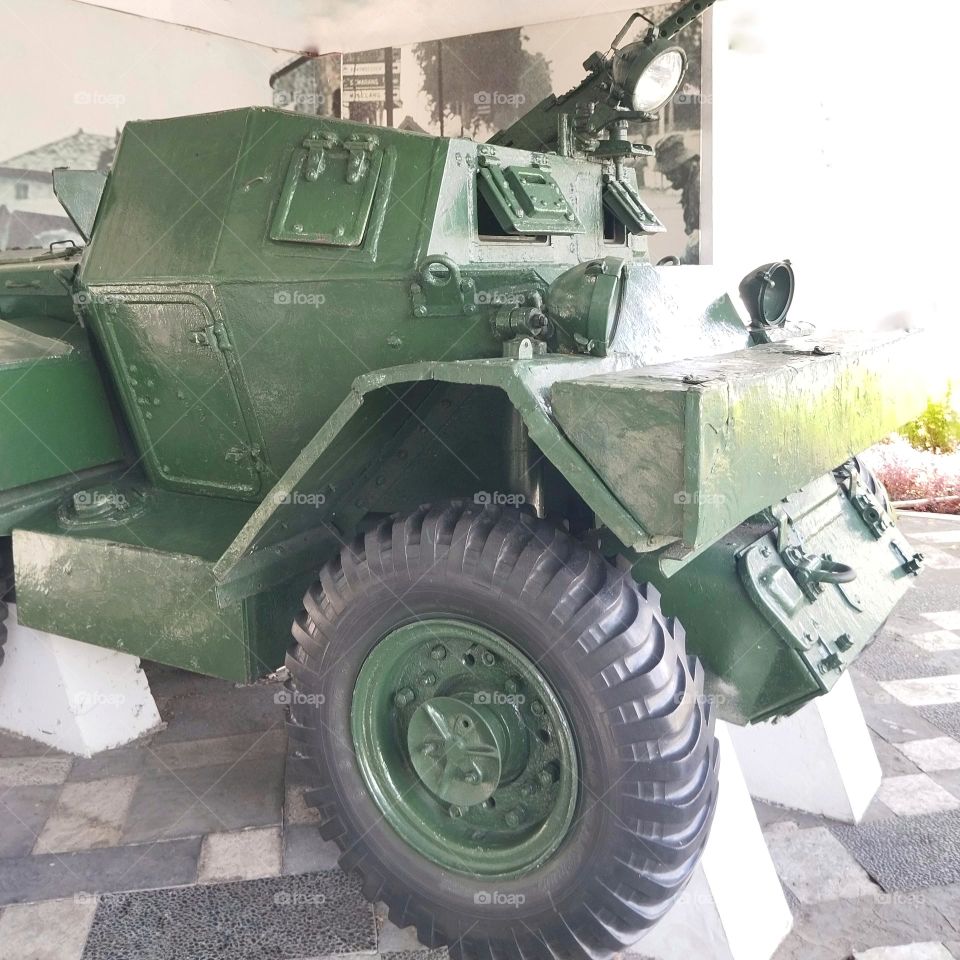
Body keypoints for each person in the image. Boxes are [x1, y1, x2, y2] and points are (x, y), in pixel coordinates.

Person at [655, 134, 700, 264]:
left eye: (670, 172)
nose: (668, 178)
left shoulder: (701, 183)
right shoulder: (692, 181)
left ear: (683, 164)